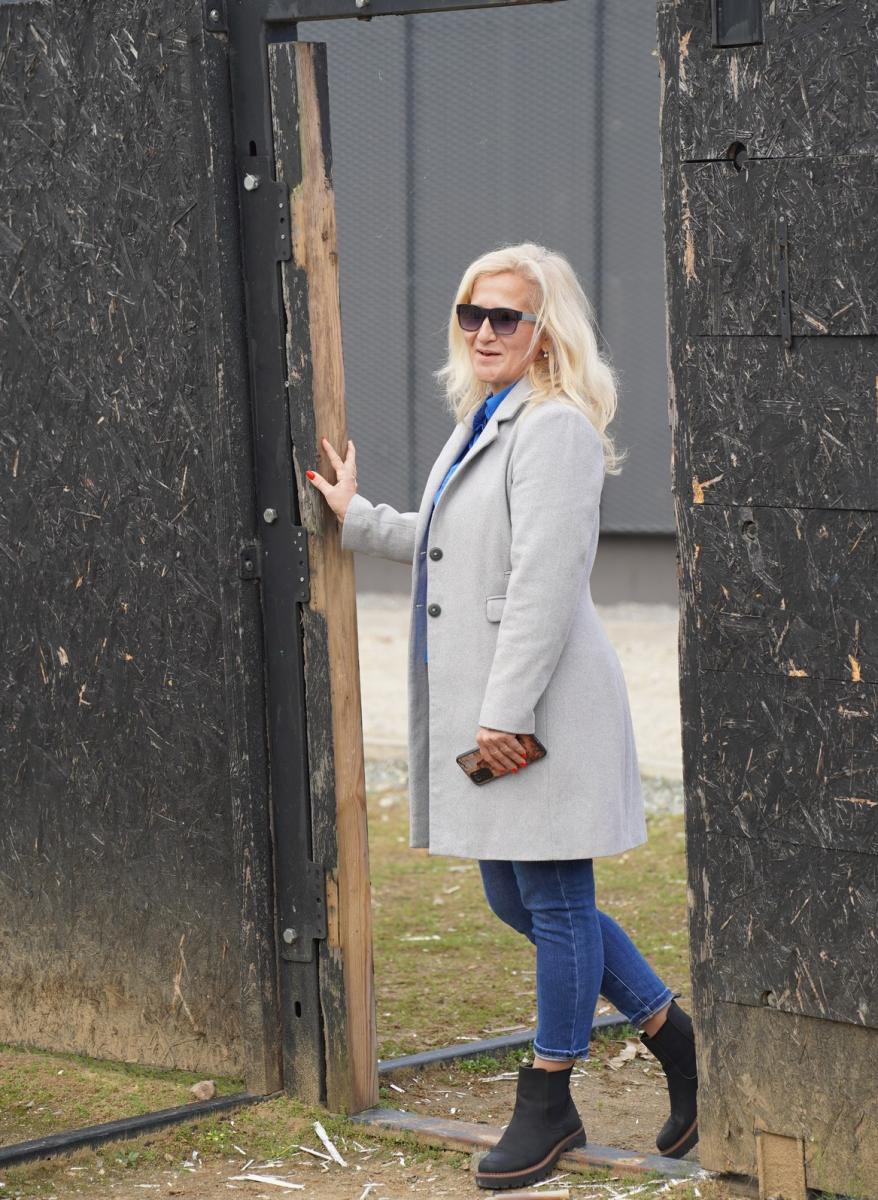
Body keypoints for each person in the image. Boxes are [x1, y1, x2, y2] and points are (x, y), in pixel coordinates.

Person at [305, 242, 698, 1188]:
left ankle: (550, 1097)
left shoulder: (554, 428)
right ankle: (679, 1041)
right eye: (471, 314)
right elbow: (457, 547)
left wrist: (506, 713)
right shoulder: (488, 416)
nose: (483, 331)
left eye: (505, 317)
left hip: (535, 706)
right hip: (504, 704)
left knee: (555, 903)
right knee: (514, 899)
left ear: (544, 331)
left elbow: (543, 584)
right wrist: (359, 516)